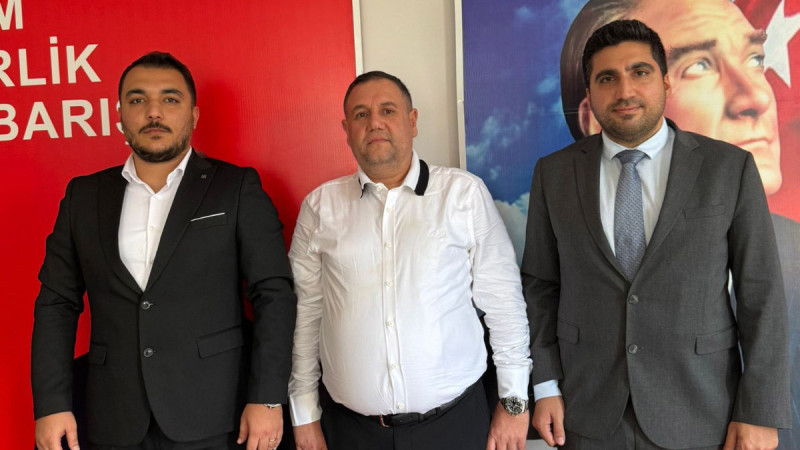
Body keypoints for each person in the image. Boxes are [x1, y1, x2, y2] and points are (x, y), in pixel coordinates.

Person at [525, 19, 789, 449]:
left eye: (640, 72)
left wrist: (759, 411)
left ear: (665, 82)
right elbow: (540, 287)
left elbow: (761, 294)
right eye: (607, 78)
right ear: (589, 95)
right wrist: (545, 385)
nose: (625, 90)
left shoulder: (729, 169)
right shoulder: (553, 174)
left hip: (700, 411)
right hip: (586, 410)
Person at [31, 51, 297, 450]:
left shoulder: (236, 187)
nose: (153, 112)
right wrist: (51, 405)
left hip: (216, 413)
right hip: (115, 417)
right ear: (120, 114)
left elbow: (274, 296)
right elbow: (56, 303)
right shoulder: (84, 196)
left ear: (194, 114)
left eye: (170, 99)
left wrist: (267, 397)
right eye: (138, 99)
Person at [288, 71, 531, 450]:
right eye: (361, 114)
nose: (375, 123)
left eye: (388, 110)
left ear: (412, 121)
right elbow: (306, 315)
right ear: (346, 130)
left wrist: (514, 401)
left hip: (455, 426)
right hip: (351, 432)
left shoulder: (463, 195)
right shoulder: (320, 207)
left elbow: (504, 304)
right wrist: (304, 413)